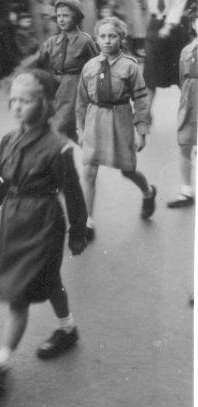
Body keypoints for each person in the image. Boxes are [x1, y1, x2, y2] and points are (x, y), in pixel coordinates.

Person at [0, 70, 88, 391]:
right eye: (13, 100)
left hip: (43, 223)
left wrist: (78, 232)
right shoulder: (9, 140)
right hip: (14, 221)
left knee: (18, 296)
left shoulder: (57, 148)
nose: (16, 106)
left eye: (26, 100)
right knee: (49, 279)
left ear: (46, 104)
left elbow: (73, 193)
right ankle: (68, 328)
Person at [76, 17, 156, 241]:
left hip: (120, 119)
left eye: (112, 36)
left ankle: (148, 192)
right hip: (94, 119)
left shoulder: (129, 66)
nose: (107, 41)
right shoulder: (89, 66)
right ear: (97, 39)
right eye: (102, 36)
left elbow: (141, 100)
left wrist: (141, 132)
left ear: (121, 38)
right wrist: (80, 129)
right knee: (89, 170)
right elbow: (81, 101)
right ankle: (88, 221)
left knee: (127, 170)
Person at [24, 0, 98, 141]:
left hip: (75, 90)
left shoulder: (85, 41)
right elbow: (38, 62)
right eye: (58, 16)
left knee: (58, 127)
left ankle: (80, 159)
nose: (61, 20)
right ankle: (89, 160)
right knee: (72, 132)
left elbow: (97, 68)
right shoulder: (53, 41)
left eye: (66, 16)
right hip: (56, 90)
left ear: (76, 17)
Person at [126, 0, 191, 109]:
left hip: (174, 29)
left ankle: (189, 113)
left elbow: (178, 6)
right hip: (154, 27)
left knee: (179, 74)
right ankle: (145, 117)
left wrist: (168, 27)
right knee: (151, 74)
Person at [167, 13, 197, 208]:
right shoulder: (186, 50)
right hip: (190, 100)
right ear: (193, 24)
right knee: (185, 143)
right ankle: (186, 190)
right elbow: (181, 79)